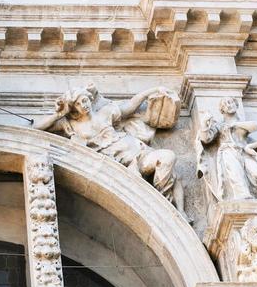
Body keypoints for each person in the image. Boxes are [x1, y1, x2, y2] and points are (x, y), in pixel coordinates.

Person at [36, 84, 185, 213]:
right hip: (125, 165)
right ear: (73, 108)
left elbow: (131, 106)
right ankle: (164, 206)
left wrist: (152, 90)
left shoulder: (106, 112)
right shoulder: (71, 126)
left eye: (85, 100)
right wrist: (59, 114)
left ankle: (175, 209)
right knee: (147, 188)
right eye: (79, 103)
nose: (84, 104)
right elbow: (37, 128)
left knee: (168, 157)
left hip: (139, 151)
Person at [196, 96, 257, 203]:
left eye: (231, 102)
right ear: (222, 110)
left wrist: (234, 125)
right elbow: (206, 138)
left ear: (236, 105)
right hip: (228, 152)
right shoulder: (219, 125)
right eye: (226, 104)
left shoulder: (241, 125)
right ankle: (244, 198)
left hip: (245, 152)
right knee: (236, 176)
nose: (229, 105)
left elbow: (255, 126)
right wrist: (205, 123)